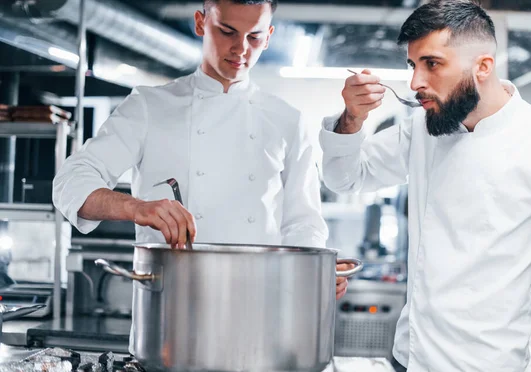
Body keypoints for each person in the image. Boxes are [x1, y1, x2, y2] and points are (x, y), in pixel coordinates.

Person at [319, 1, 531, 372]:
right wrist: (352, 119)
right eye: (412, 65)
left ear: (482, 66)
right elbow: (344, 178)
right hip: (408, 368)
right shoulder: (421, 130)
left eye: (431, 63)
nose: (415, 82)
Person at [53, 1, 350, 310]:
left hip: (258, 312)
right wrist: (135, 207)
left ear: (269, 36)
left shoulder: (288, 120)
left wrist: (315, 273)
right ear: (200, 23)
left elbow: (303, 223)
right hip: (169, 314)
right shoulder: (149, 106)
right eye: (227, 31)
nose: (241, 49)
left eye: (254, 37)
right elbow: (69, 184)